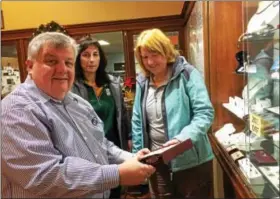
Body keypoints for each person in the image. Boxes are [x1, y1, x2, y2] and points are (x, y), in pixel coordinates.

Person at [1, 32, 155, 199]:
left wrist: (131, 158)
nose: (62, 69)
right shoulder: (16, 110)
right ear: (30, 66)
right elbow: (45, 176)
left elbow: (101, 145)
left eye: (68, 62)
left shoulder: (78, 103)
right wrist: (116, 174)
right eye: (51, 61)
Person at [132, 28, 215, 199]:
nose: (150, 62)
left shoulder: (187, 74)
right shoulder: (142, 82)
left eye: (154, 54)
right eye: (145, 57)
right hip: (157, 162)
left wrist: (181, 139)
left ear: (165, 50)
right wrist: (138, 157)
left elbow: (205, 113)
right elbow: (137, 120)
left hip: (191, 162)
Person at [72, 35, 132, 198]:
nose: (91, 60)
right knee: (95, 189)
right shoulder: (72, 87)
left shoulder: (112, 83)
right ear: (78, 59)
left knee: (115, 189)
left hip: (114, 144)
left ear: (101, 58)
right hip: (88, 148)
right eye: (85, 55)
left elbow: (123, 114)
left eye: (95, 54)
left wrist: (129, 136)